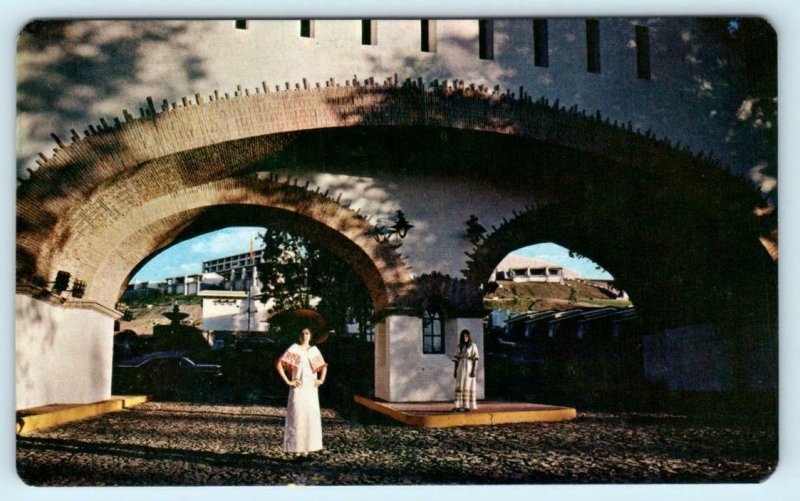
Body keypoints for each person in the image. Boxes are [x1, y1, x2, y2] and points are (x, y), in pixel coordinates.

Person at [276, 328, 328, 456]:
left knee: (310, 418)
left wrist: (321, 380)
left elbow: (323, 367)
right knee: (297, 417)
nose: (304, 335)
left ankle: (307, 450)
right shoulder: (295, 349)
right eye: (302, 333)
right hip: (298, 388)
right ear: (298, 336)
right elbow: (279, 363)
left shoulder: (314, 350)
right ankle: (296, 451)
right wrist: (288, 381)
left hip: (311, 389)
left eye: (307, 333)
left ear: (311, 335)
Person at [452, 329, 479, 411]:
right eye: (463, 336)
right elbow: (456, 360)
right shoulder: (459, 346)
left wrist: (474, 370)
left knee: (467, 384)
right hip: (460, 366)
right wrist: (455, 371)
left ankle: (467, 405)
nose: (465, 338)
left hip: (469, 366)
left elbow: (475, 358)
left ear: (469, 337)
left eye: (466, 336)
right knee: (459, 385)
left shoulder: (473, 346)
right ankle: (457, 405)